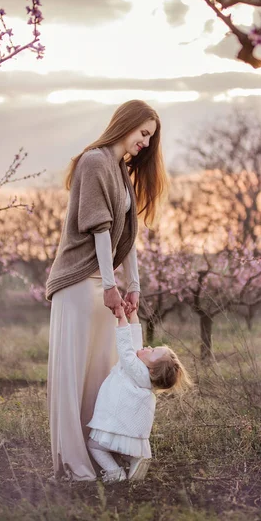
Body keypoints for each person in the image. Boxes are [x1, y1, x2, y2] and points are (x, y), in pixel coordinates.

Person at [46, 100, 168, 481]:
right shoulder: (95, 162)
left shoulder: (120, 172)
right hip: (79, 280)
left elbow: (126, 240)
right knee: (76, 375)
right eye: (143, 133)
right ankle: (75, 463)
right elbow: (100, 230)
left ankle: (101, 454)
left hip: (102, 281)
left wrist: (133, 287)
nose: (146, 143)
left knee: (102, 374)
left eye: (150, 137)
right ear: (127, 124)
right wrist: (111, 285)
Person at [87, 305, 192, 484]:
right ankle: (133, 459)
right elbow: (135, 343)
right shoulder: (144, 374)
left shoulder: (136, 369)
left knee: (94, 446)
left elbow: (126, 349)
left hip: (114, 422)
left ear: (151, 370)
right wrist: (133, 316)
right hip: (126, 427)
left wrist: (121, 319)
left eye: (152, 351)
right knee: (117, 447)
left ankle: (114, 472)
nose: (148, 347)